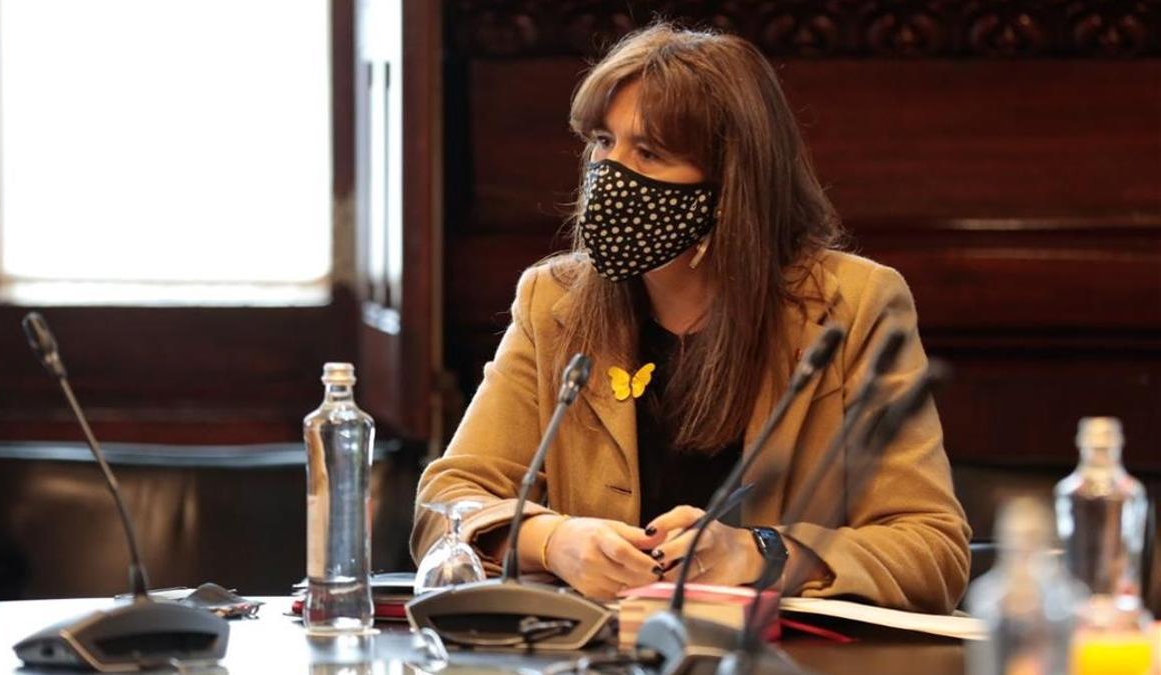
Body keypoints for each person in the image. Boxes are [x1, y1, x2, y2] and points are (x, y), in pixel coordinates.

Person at [411, 22, 971, 614]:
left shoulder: (853, 305)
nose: (609, 175)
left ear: (731, 183)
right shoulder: (555, 303)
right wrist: (553, 542)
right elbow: (443, 507)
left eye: (648, 153)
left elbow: (932, 550)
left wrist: (760, 555)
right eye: (603, 142)